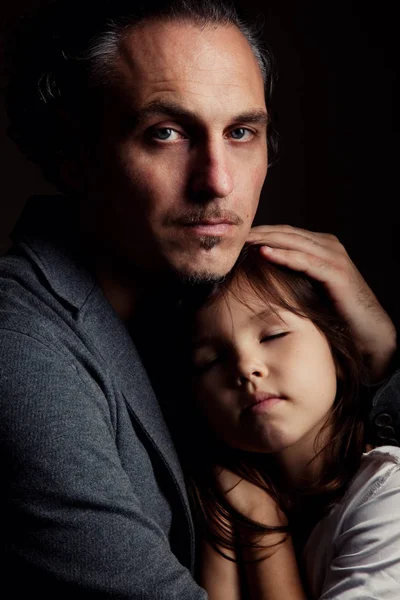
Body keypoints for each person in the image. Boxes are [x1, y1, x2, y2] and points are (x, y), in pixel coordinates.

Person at [0, 0, 397, 597]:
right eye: (166, 132)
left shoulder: (202, 311)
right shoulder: (21, 353)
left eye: (241, 132)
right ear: (73, 156)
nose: (217, 181)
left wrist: (384, 361)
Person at [188, 245, 400, 599]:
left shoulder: (388, 496)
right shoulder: (218, 501)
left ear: (339, 355)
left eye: (274, 335)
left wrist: (262, 531)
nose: (246, 367)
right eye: (211, 360)